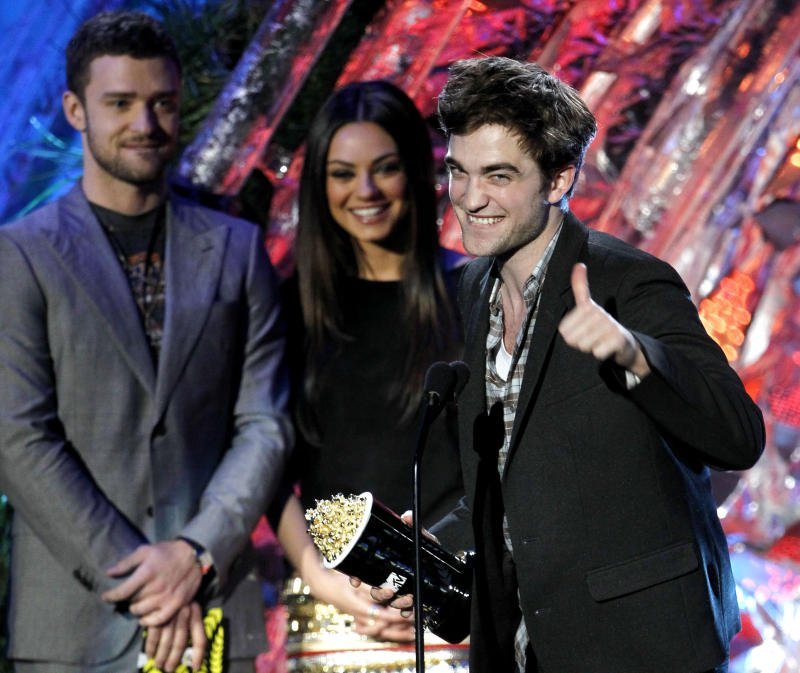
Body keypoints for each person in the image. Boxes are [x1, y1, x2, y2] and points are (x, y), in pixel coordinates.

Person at [370, 56, 766, 673]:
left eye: (498, 176)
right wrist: (434, 547)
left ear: (558, 180)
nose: (470, 199)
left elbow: (739, 436)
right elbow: (517, 477)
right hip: (526, 650)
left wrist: (634, 355)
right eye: (458, 172)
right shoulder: (474, 288)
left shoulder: (627, 281)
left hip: (644, 650)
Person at [0, 11, 292, 673]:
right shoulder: (21, 256)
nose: (145, 123)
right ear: (75, 110)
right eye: (120, 103)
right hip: (76, 627)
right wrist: (149, 577)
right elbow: (18, 438)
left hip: (215, 611)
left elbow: (265, 422)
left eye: (162, 103)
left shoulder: (237, 249)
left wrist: (195, 553)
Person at [271, 80, 469, 669]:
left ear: (418, 172)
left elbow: (511, 460)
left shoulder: (479, 294)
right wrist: (321, 576)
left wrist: (442, 581)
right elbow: (264, 466)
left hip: (454, 618)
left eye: (385, 168)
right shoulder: (286, 312)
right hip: (332, 620)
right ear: (319, 185)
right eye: (343, 174)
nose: (366, 191)